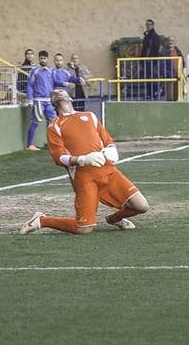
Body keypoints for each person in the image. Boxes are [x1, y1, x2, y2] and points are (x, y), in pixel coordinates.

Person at [20, 89, 149, 236]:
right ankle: (42, 220)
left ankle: (115, 219)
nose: (57, 92)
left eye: (61, 90)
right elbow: (59, 157)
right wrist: (82, 159)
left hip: (108, 170)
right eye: (54, 93)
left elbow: (107, 141)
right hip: (84, 178)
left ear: (71, 98)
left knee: (141, 206)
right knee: (83, 229)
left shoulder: (89, 116)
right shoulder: (54, 126)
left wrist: (112, 150)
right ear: (52, 102)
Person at [24, 50, 55, 150]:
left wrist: (70, 82)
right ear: (39, 59)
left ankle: (51, 143)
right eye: (41, 58)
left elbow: (56, 82)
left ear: (47, 59)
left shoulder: (50, 70)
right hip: (38, 100)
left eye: (44, 58)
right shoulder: (35, 70)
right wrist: (30, 99)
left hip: (49, 100)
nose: (43, 60)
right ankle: (29, 145)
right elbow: (30, 85)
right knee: (35, 122)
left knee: (54, 122)